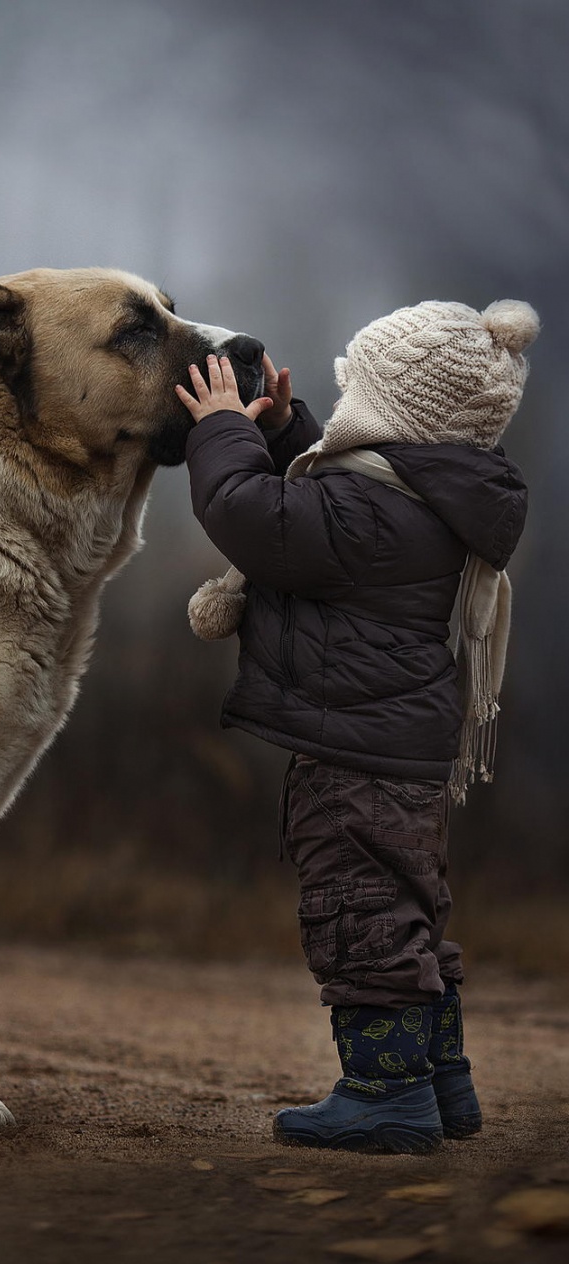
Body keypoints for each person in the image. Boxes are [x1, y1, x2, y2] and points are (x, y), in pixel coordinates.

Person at [175, 299, 537, 1153]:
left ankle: (385, 1095)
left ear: (394, 410)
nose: (342, 409)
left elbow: (249, 514)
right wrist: (281, 428)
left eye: (355, 391)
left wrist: (222, 432)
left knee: (359, 914)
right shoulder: (420, 497)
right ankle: (441, 1083)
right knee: (408, 910)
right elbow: (321, 498)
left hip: (355, 756)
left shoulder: (369, 517)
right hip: (400, 749)